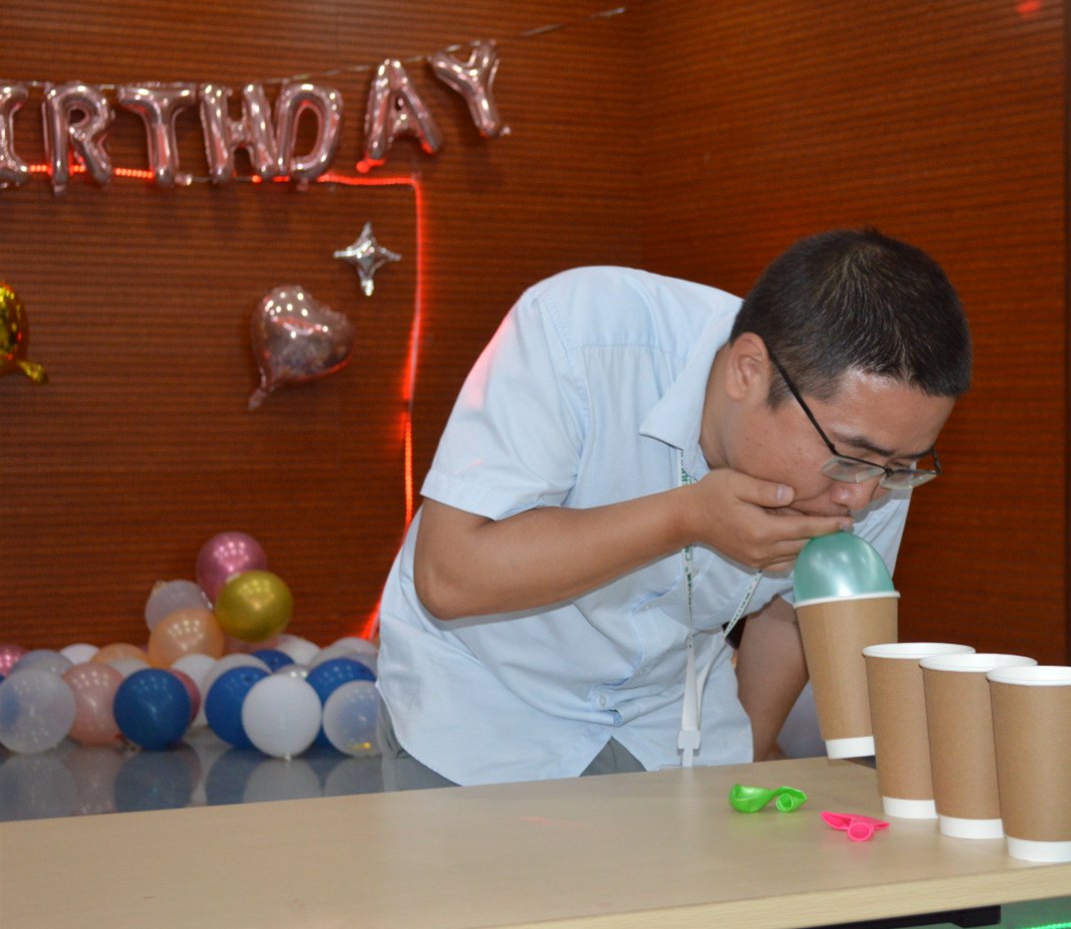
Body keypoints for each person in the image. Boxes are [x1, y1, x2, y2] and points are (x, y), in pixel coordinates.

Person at [376, 227, 972, 786]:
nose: (861, 495)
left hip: (673, 720)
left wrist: (744, 762)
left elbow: (791, 614)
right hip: (480, 707)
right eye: (851, 457)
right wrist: (687, 517)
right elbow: (449, 576)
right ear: (748, 371)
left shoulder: (875, 456)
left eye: (899, 466)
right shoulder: (581, 331)